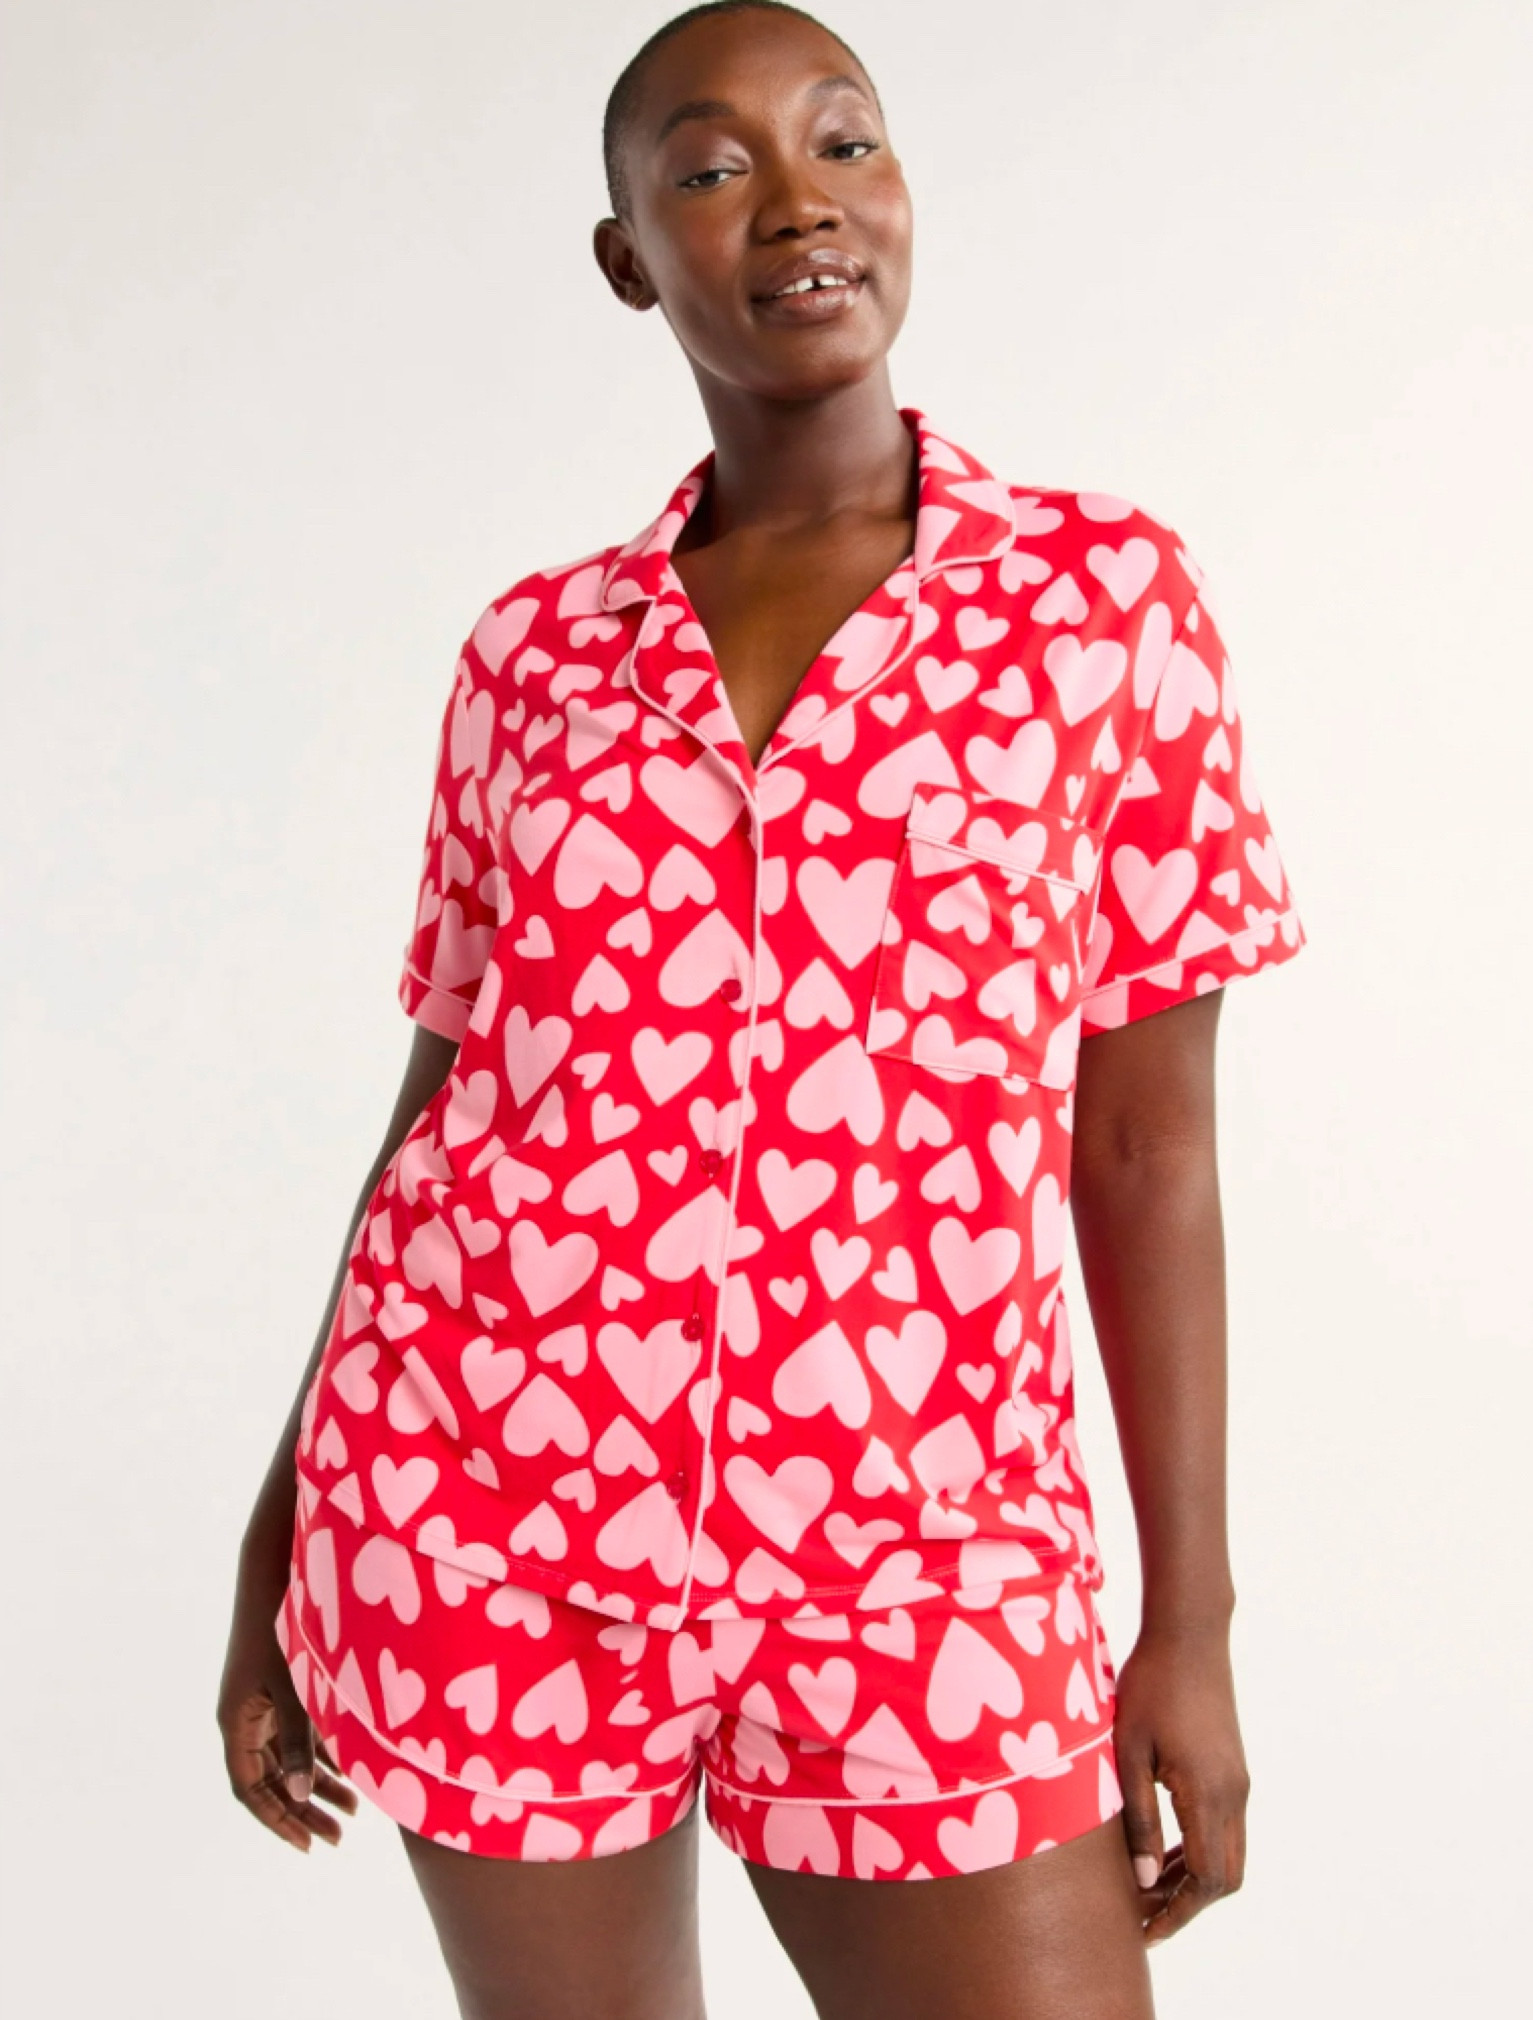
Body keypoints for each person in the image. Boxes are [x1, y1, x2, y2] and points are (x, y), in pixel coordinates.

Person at [217, 4, 1304, 2014]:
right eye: (712, 171)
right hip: (478, 1511)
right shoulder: (535, 654)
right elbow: (451, 1083)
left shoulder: (1094, 604)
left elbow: (1145, 1142)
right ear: (628, 258)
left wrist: (1191, 1623)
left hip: (922, 1543)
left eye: (843, 142)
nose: (798, 204)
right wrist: (282, 1514)